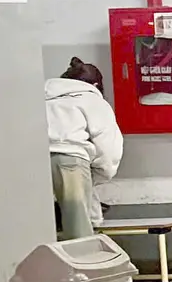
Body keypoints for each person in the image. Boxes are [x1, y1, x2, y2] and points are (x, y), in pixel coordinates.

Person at [44, 59, 122, 238]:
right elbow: (108, 147)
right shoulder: (92, 99)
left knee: (38, 229)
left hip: (33, 160)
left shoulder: (43, 96)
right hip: (70, 161)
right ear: (96, 85)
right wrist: (101, 174)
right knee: (78, 230)